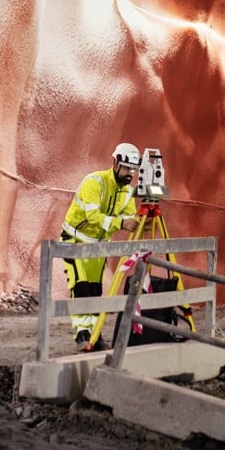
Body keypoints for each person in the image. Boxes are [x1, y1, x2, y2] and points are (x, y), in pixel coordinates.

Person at [60, 142, 142, 351]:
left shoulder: (127, 191)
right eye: (127, 168)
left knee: (95, 289)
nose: (130, 174)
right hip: (75, 242)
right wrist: (121, 223)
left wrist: (139, 222)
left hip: (99, 247)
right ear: (115, 163)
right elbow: (93, 217)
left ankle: (94, 335)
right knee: (81, 286)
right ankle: (82, 334)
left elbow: (129, 217)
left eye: (133, 170)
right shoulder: (94, 182)